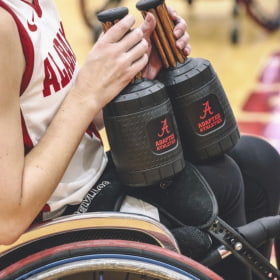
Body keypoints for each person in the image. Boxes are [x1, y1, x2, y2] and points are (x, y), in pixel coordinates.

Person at [0, 1, 279, 280]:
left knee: (258, 159)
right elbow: (8, 219)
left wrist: (127, 77)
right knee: (223, 181)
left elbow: (63, 120)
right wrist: (87, 93)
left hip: (93, 182)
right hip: (59, 223)